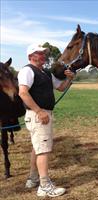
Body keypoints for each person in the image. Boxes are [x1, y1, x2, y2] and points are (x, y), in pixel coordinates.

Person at [18, 44, 75, 197]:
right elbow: (23, 93)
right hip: (39, 116)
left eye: (44, 53)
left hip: (43, 115)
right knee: (43, 150)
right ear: (31, 56)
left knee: (37, 148)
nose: (44, 55)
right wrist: (39, 111)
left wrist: (69, 79)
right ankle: (44, 185)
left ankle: (33, 178)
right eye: (40, 53)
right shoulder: (27, 70)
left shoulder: (45, 73)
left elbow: (61, 88)